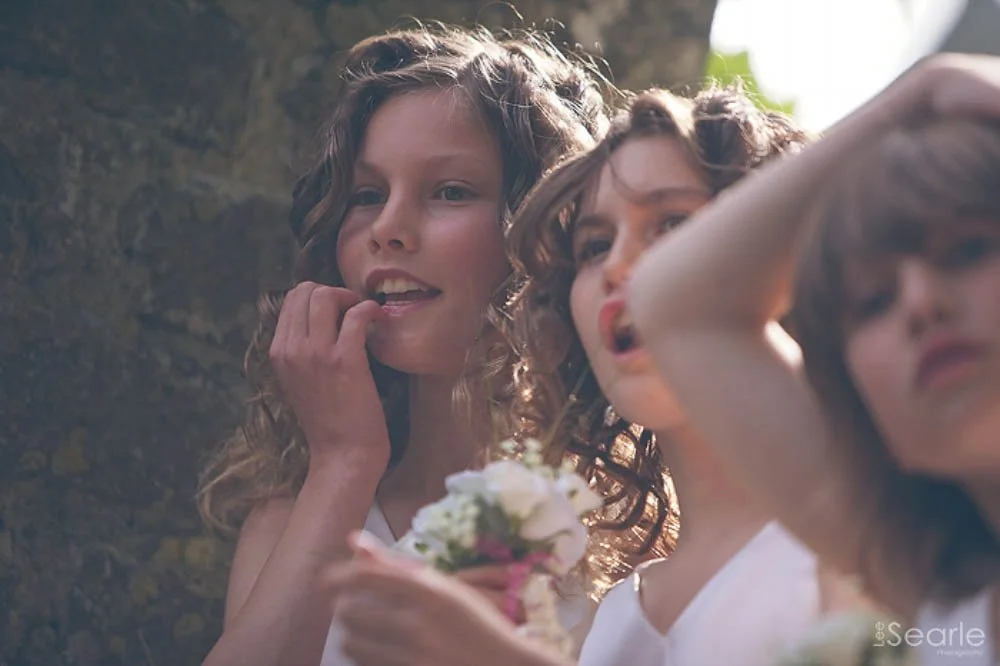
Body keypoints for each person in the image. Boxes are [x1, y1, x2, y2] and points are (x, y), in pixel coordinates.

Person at [330, 85, 869, 666]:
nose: (617, 264)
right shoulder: (614, 618)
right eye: (594, 245)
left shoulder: (873, 540)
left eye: (671, 225)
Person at [195, 23, 608, 666]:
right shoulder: (291, 521)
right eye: (366, 195)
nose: (386, 229)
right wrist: (343, 462)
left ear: (543, 229)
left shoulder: (622, 539)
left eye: (449, 191)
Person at [628, 53, 1000, 665]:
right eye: (872, 301)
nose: (920, 302)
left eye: (968, 250)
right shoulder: (934, 587)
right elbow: (674, 302)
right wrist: (917, 96)